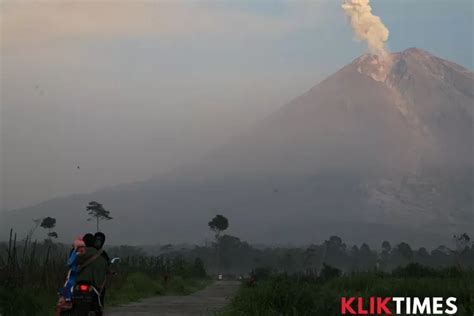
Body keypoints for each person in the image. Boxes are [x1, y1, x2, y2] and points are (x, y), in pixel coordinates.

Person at [75, 234, 108, 313]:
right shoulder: (101, 255)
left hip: (78, 282)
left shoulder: (78, 252)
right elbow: (104, 268)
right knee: (99, 297)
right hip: (93, 284)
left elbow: (70, 263)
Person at [56, 236, 85, 316]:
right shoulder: (85, 254)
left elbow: (70, 262)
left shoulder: (75, 253)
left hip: (72, 277)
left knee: (61, 301)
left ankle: (66, 303)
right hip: (80, 278)